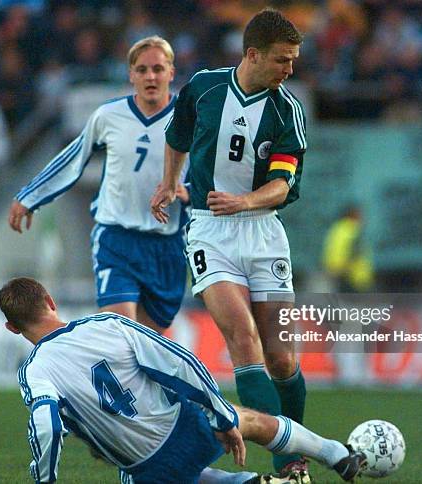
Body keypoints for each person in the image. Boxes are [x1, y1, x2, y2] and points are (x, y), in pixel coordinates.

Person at [0, 277, 366, 484]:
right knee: (250, 420)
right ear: (50, 300)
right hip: (183, 430)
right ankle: (336, 455)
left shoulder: (35, 370)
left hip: (144, 472)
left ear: (12, 327)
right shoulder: (107, 325)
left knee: (156, 478)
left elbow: (45, 423)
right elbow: (180, 364)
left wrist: (44, 480)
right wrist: (222, 416)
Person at [151, 9, 307, 476]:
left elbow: (283, 185)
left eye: (294, 60)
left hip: (262, 230)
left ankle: (289, 453)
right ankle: (291, 462)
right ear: (253, 54)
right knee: (242, 337)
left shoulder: (287, 111)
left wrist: (243, 201)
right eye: (282, 60)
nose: (289, 69)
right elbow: (176, 137)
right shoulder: (203, 88)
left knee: (281, 358)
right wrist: (167, 182)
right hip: (208, 230)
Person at [8, 36, 188, 333]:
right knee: (120, 331)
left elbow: (212, 172)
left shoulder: (189, 118)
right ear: (131, 75)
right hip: (116, 237)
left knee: (149, 344)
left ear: (171, 72)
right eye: (142, 70)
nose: (150, 76)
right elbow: (73, 159)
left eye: (158, 68)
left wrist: (190, 191)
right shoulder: (109, 115)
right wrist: (30, 196)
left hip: (166, 244)